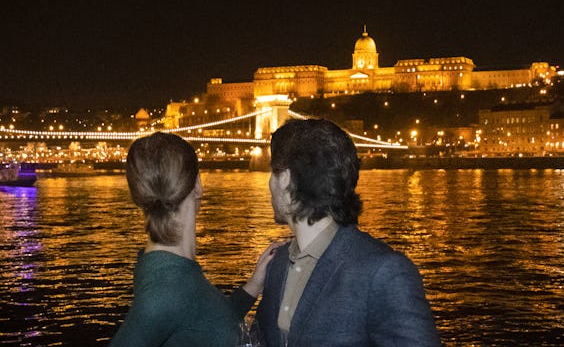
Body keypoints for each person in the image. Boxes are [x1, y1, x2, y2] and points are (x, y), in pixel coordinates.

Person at [253, 118, 441, 346]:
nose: (269, 184)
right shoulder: (277, 264)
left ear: (285, 179)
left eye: (273, 172)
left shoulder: (385, 272)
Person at [110, 132, 282, 347]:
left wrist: (253, 286)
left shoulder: (167, 267)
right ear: (198, 185)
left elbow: (205, 321)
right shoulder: (165, 290)